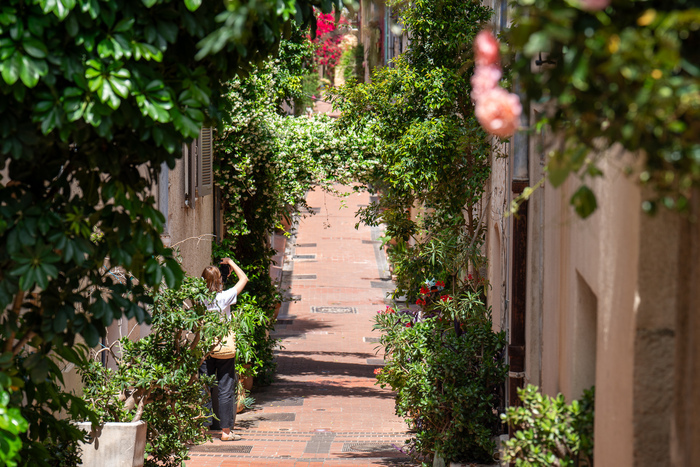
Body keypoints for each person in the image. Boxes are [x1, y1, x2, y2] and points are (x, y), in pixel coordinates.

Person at [201, 258, 248, 441]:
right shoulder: (224, 297)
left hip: (205, 348)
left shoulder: (200, 298)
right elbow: (243, 279)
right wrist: (231, 263)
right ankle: (226, 432)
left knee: (204, 387)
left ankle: (203, 430)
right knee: (225, 388)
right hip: (224, 348)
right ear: (219, 280)